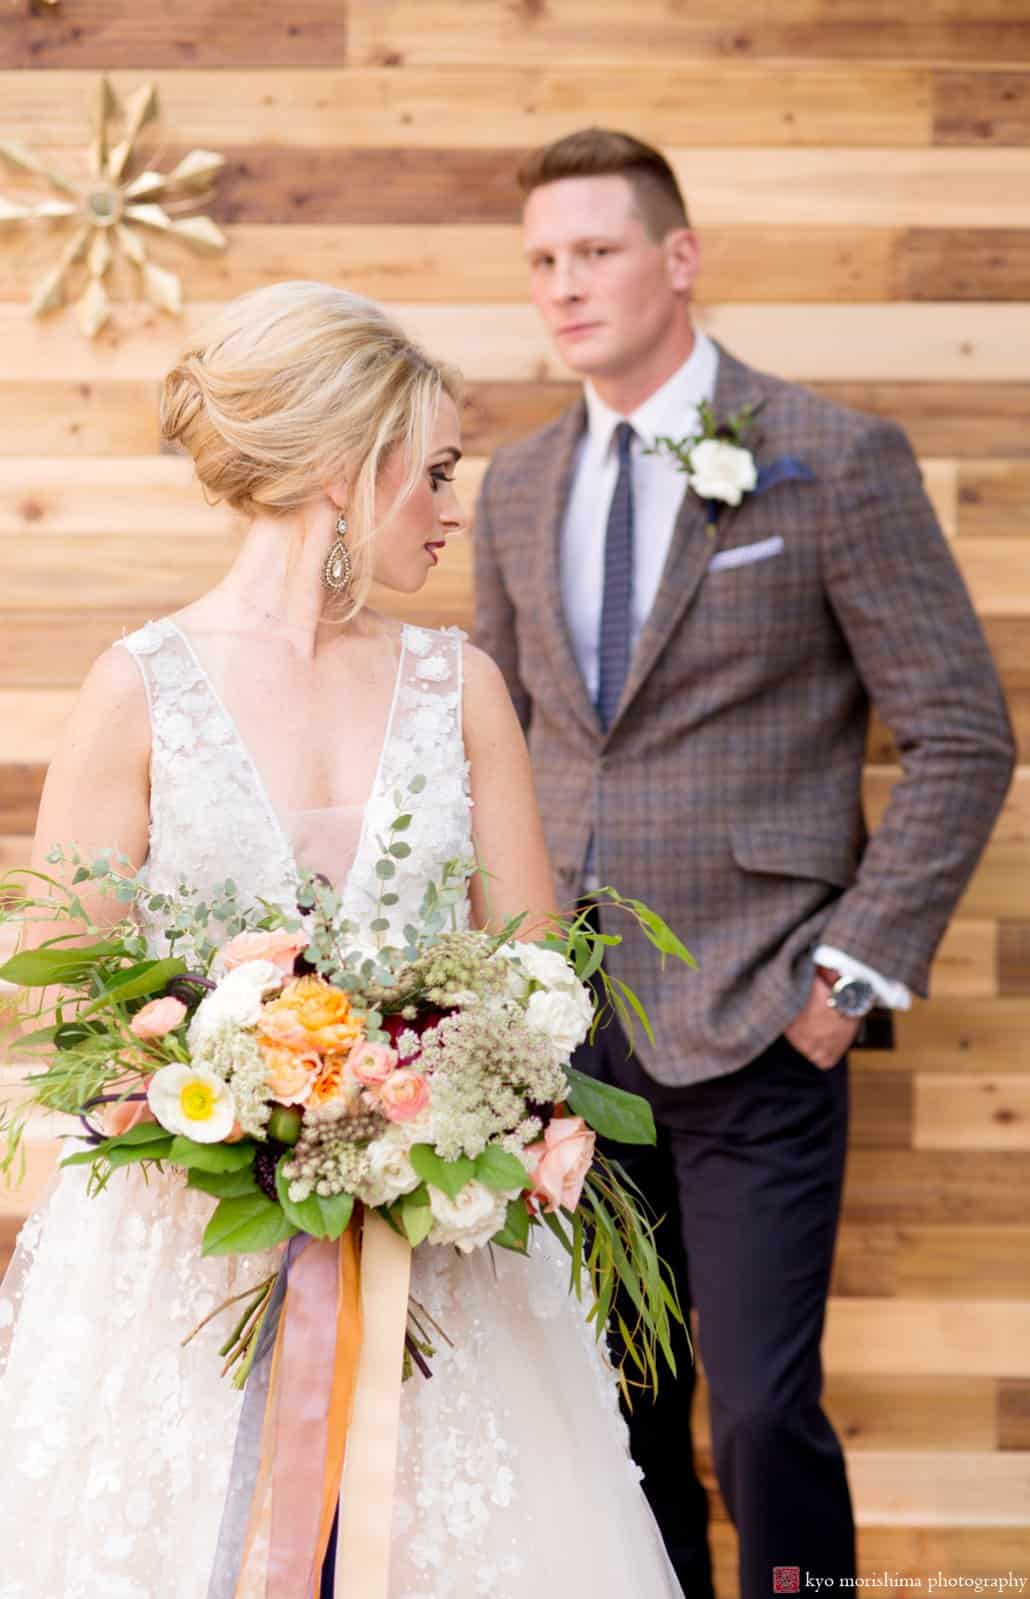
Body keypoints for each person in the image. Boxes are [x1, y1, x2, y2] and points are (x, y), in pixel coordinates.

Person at [0, 281, 685, 1599]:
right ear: (339, 474)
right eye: (430, 473)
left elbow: (542, 977)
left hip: (441, 1255)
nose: (450, 505)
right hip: (177, 1256)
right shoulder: (136, 690)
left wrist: (419, 1096)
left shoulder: (459, 687)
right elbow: (66, 1008)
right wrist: (233, 1079)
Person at [473, 129, 1017, 1597]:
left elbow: (962, 736)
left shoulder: (828, 456)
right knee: (617, 1408)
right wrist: (484, 1000)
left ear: (678, 257)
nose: (563, 287)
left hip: (760, 1018)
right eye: (540, 261)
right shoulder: (516, 487)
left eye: (593, 250)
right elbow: (499, 743)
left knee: (763, 1415)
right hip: (565, 1039)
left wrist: (844, 981)